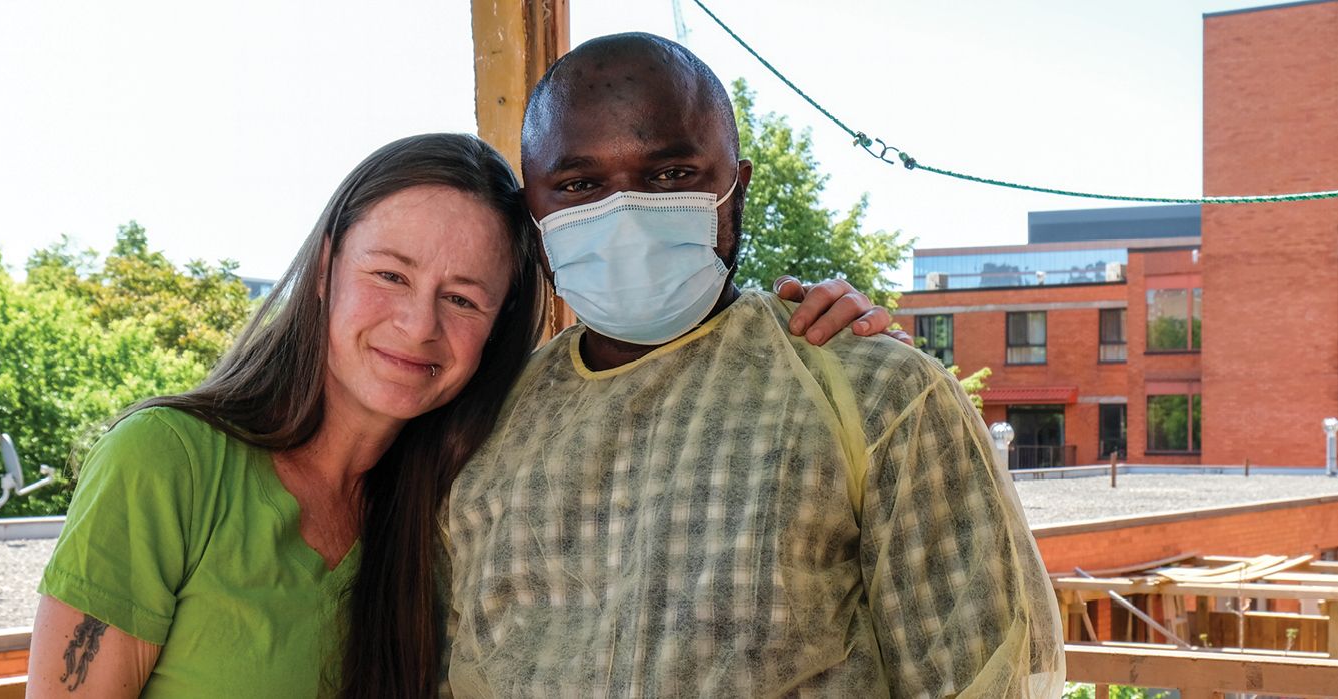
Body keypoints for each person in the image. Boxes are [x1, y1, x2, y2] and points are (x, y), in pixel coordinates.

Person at [26, 133, 896, 698]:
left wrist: (797, 324)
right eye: (391, 275)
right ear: (327, 267)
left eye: (464, 298)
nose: (418, 326)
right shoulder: (167, 462)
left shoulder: (471, 494)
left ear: (500, 324)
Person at [443, 33, 1066, 698]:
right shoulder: (484, 424)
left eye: (670, 176)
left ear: (733, 190)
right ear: (532, 209)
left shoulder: (875, 394)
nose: (622, 215)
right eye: (578, 184)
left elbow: (985, 675)